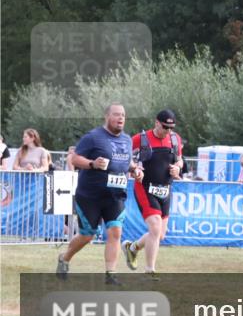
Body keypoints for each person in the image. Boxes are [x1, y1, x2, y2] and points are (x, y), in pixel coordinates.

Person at [56, 103, 144, 285]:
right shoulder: (93, 137)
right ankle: (64, 258)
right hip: (90, 196)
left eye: (123, 115)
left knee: (115, 232)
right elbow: (75, 158)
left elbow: (126, 162)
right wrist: (92, 164)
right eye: (116, 115)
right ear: (107, 117)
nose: (121, 118)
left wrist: (135, 170)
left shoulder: (127, 140)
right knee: (88, 235)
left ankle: (110, 275)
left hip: (115, 196)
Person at [123, 109, 183, 279]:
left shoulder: (174, 139)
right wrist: (134, 168)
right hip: (145, 187)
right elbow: (125, 157)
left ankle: (132, 248)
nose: (168, 131)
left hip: (165, 189)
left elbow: (179, 159)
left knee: (160, 234)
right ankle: (149, 271)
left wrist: (178, 167)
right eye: (165, 127)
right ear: (157, 123)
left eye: (171, 128)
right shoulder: (140, 139)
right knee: (155, 227)